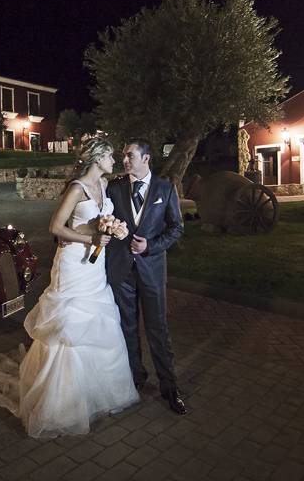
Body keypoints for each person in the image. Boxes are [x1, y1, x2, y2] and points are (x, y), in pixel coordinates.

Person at [0, 135, 139, 438]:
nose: (115, 161)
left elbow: (101, 219)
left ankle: (96, 392)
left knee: (97, 321)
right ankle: (60, 404)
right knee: (69, 325)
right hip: (74, 264)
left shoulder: (103, 186)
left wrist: (115, 226)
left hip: (95, 268)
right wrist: (92, 238)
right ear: (97, 159)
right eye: (110, 156)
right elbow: (55, 228)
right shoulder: (77, 188)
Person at [105, 138, 188, 414]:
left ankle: (169, 387)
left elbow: (176, 228)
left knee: (158, 329)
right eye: (123, 155)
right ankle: (136, 380)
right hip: (122, 271)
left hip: (152, 271)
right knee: (127, 328)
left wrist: (150, 246)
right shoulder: (115, 188)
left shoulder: (165, 189)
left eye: (130, 155)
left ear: (146, 159)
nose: (125, 160)